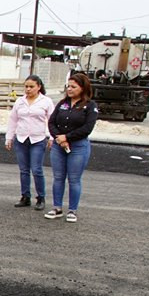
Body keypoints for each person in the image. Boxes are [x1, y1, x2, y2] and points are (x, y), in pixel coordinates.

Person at [45, 73, 98, 223]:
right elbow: (51, 122)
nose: (69, 89)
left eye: (73, 87)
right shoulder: (62, 104)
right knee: (58, 177)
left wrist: (67, 137)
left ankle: (72, 210)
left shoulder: (90, 106)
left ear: (83, 88)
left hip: (78, 147)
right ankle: (57, 207)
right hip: (59, 146)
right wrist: (59, 138)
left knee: (74, 179)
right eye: (68, 86)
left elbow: (87, 128)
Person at [5, 75, 54, 210]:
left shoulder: (46, 101)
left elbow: (52, 120)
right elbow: (13, 120)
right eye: (26, 86)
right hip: (21, 139)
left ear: (39, 87)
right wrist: (9, 137)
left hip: (37, 139)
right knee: (24, 170)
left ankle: (41, 197)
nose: (28, 89)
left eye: (31, 86)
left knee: (36, 169)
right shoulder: (20, 101)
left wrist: (52, 137)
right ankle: (25, 196)